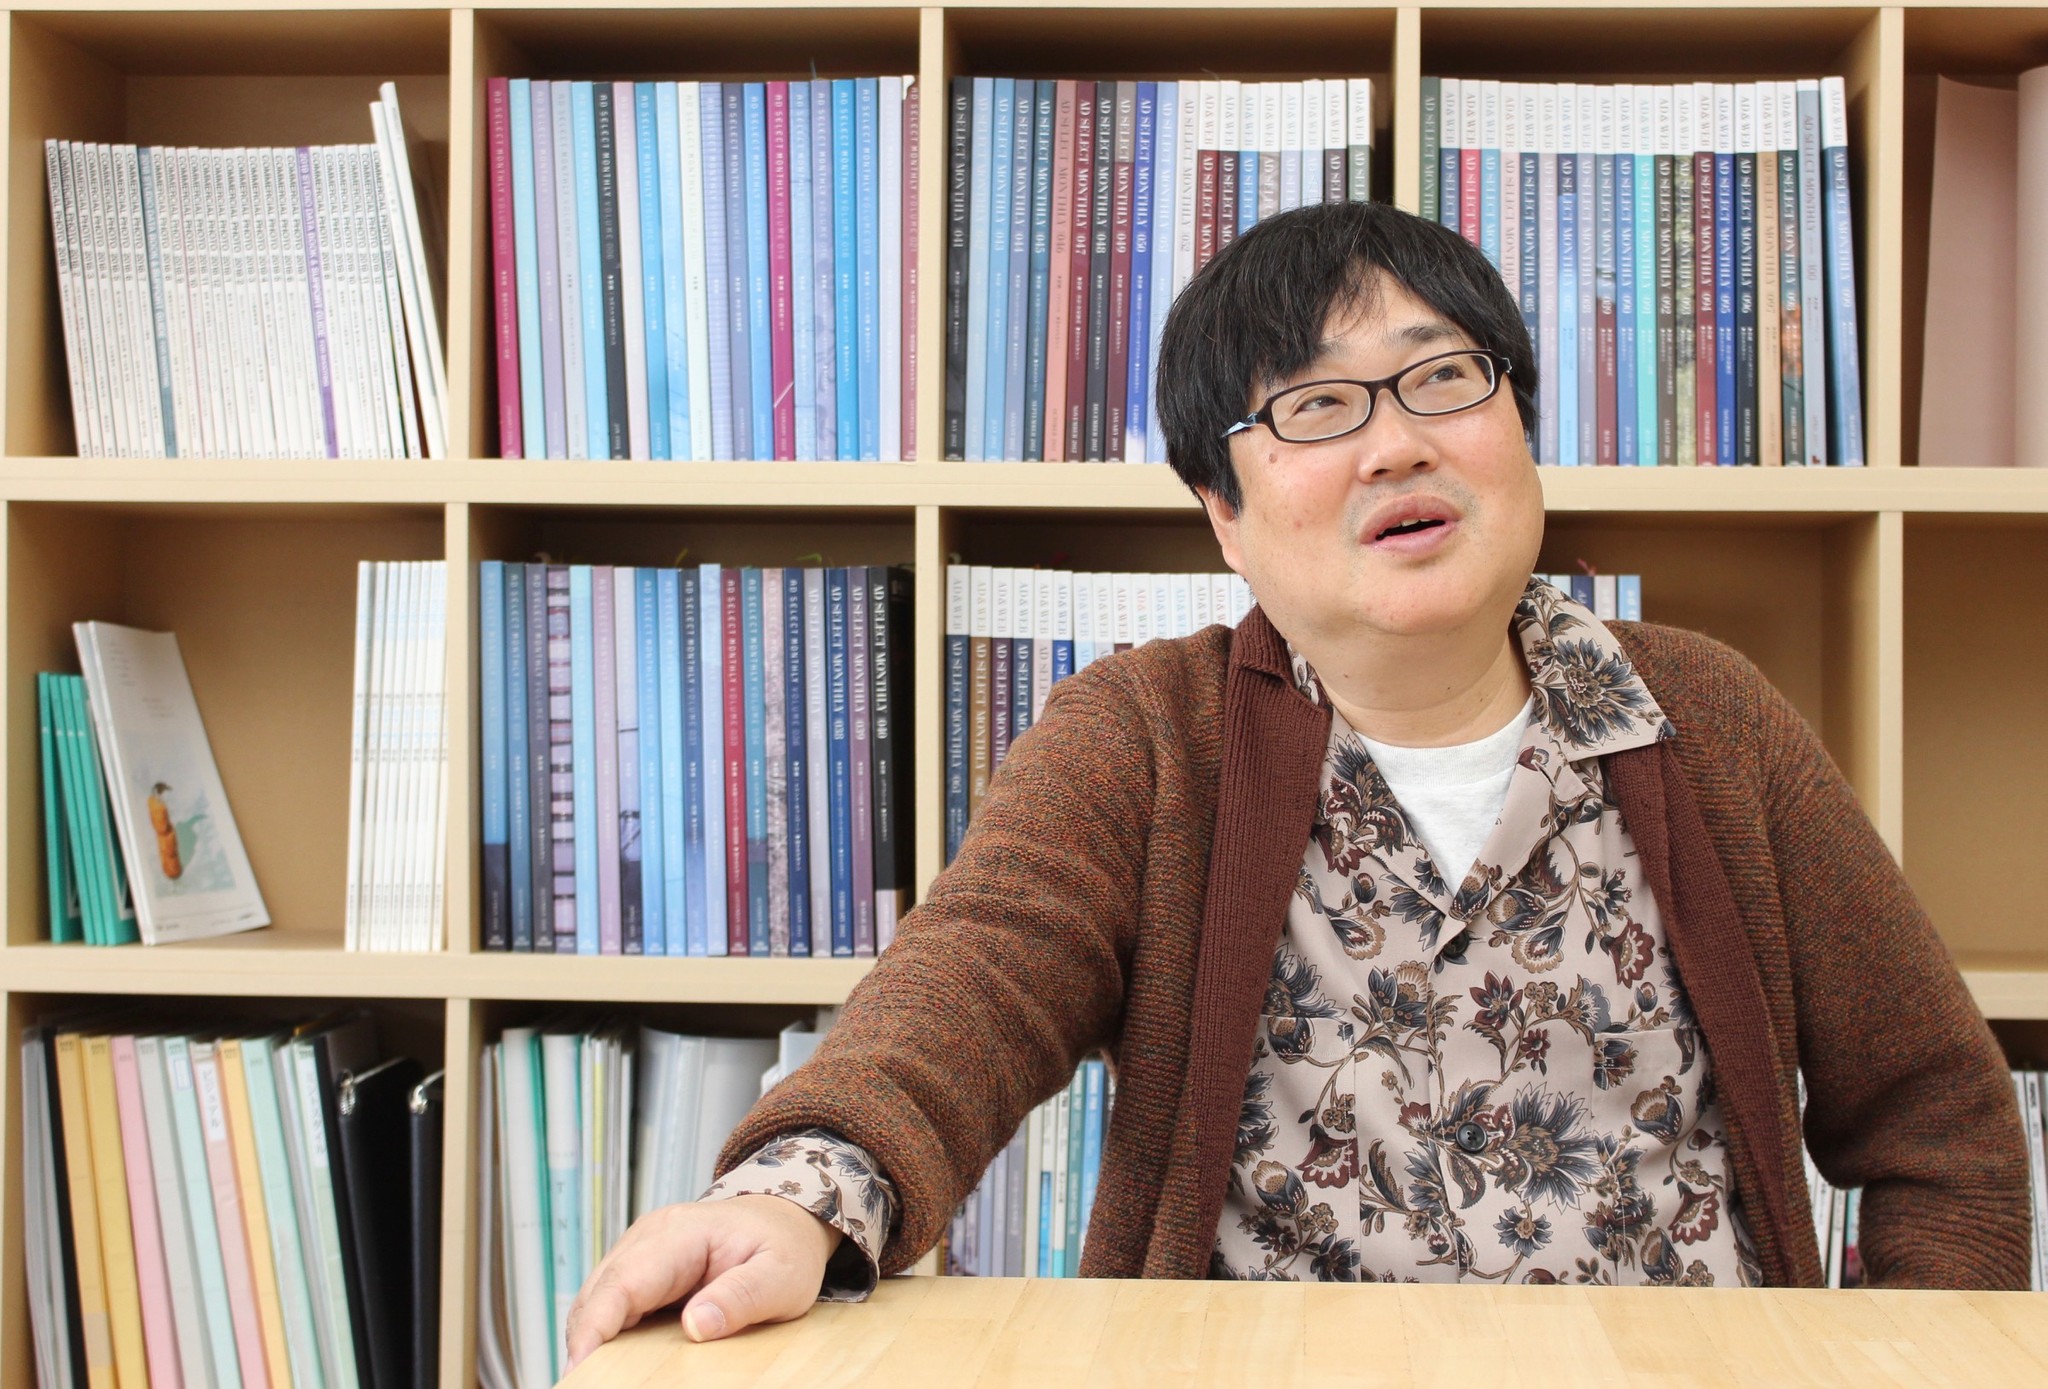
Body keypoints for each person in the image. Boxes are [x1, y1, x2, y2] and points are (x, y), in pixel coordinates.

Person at [565, 202, 2030, 1362]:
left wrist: (1899, 1358)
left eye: (1442, 377)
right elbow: (969, 986)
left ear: (1518, 429)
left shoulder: (1707, 718)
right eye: (1316, 407)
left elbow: (1941, 1118)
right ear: (1225, 512)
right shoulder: (1144, 737)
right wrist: (800, 1194)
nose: (1397, 441)